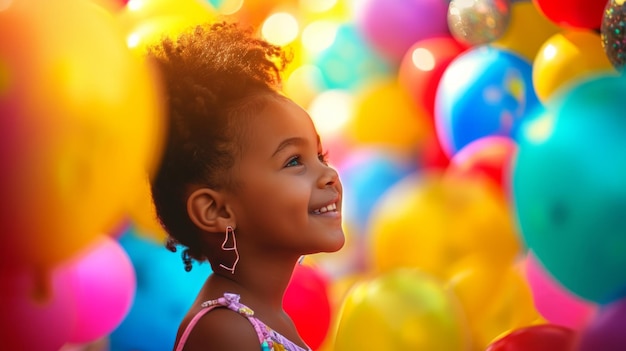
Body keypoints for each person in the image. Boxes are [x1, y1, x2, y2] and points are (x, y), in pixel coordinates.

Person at [146, 21, 345, 351]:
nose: (329, 175)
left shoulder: (266, 319)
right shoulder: (225, 332)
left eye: (321, 155)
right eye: (294, 161)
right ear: (217, 210)